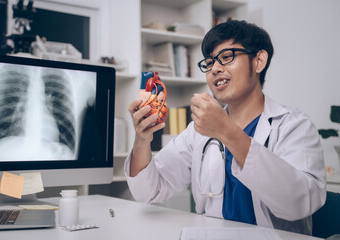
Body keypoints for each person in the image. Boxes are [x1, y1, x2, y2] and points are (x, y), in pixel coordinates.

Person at [125, 20, 326, 235]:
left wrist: (226, 132)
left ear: (258, 61)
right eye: (209, 62)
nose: (215, 69)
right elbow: (150, 191)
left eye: (227, 57)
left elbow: (299, 203)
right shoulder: (198, 130)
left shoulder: (293, 125)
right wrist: (142, 139)